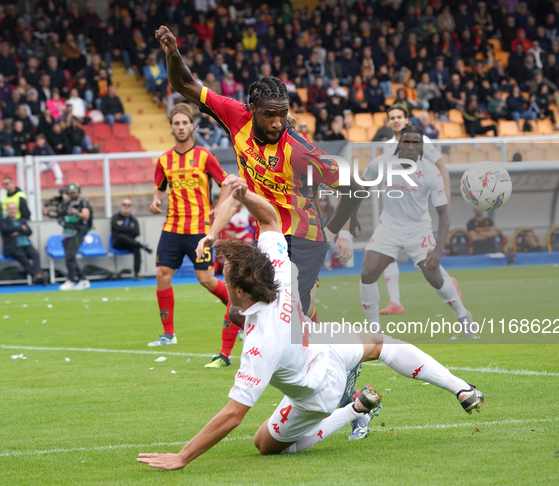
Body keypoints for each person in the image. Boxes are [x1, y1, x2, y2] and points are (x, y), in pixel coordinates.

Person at [137, 175, 484, 470]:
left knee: (264, 445)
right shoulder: (278, 270)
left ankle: (351, 410)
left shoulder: (261, 344)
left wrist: (182, 457)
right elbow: (271, 219)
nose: (223, 281)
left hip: (318, 389)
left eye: (227, 280)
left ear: (242, 290)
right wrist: (244, 195)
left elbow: (233, 415)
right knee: (380, 343)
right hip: (324, 343)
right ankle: (462, 388)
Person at [156, 25, 358, 368]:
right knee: (242, 313)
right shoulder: (234, 116)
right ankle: (332, 359)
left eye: (283, 114)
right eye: (270, 114)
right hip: (269, 232)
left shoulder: (299, 152)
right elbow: (184, 84)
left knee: (289, 319)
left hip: (302, 238)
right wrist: (173, 54)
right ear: (251, 109)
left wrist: (337, 230)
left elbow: (356, 188)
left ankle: (336, 371)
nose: (278, 123)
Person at [355, 125, 473, 336]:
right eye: (407, 141)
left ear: (422, 146)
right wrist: (352, 214)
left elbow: (444, 214)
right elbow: (362, 187)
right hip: (389, 227)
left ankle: (462, 313)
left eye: (416, 143)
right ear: (400, 142)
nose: (411, 146)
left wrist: (438, 250)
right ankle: (375, 330)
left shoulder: (430, 172)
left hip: (418, 230)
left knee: (435, 279)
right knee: (368, 272)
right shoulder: (382, 163)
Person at [148, 103, 231, 347]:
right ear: (172, 127)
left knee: (206, 279)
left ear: (192, 126)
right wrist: (155, 202)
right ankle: (168, 334)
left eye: (185, 123)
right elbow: (159, 191)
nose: (181, 127)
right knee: (162, 275)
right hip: (172, 227)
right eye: (177, 123)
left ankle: (239, 315)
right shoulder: (164, 160)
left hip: (199, 228)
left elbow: (225, 182)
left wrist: (220, 206)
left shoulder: (204, 156)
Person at [377, 104, 450, 316]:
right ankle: (395, 302)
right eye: (392, 117)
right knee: (386, 254)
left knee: (423, 259)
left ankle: (447, 282)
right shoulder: (388, 146)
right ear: (389, 122)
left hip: (416, 209)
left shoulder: (423, 141)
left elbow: (441, 167)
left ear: (407, 119)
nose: (396, 120)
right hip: (394, 209)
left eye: (400, 116)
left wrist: (445, 195)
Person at [43, 182, 92, 291]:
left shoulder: (82, 203)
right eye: (70, 192)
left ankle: (71, 279)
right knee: (70, 257)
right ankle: (83, 279)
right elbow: (59, 215)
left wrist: (75, 212)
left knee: (70, 256)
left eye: (74, 192)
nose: (72, 194)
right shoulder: (66, 204)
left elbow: (86, 215)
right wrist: (47, 212)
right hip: (67, 232)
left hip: (78, 232)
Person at [1, 202, 44, 284]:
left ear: (17, 210)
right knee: (23, 259)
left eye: (13, 209)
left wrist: (15, 231)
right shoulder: (4, 221)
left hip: (26, 244)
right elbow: (5, 230)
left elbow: (29, 231)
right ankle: (37, 276)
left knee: (35, 254)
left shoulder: (22, 220)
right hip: (13, 247)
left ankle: (37, 274)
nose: (12, 211)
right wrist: (21, 228)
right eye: (10, 209)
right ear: (7, 210)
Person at [111, 199, 152, 280]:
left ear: (131, 207)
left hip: (130, 243)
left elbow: (136, 232)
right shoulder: (115, 218)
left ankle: (136, 274)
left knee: (136, 248)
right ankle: (142, 246)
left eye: (128, 205)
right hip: (118, 243)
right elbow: (117, 230)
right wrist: (129, 229)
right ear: (121, 206)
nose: (126, 206)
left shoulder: (134, 220)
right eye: (124, 204)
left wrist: (124, 229)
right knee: (121, 236)